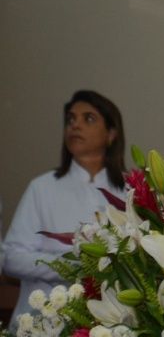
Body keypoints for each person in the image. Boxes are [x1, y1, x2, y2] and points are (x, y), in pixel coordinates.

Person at [3, 90, 126, 325]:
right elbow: (11, 259)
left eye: (88, 118)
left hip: (110, 327)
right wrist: (71, 266)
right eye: (71, 119)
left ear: (111, 134)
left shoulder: (129, 191)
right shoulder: (42, 187)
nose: (75, 125)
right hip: (42, 325)